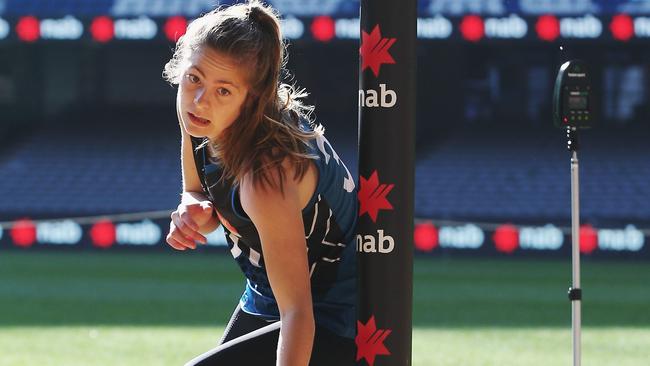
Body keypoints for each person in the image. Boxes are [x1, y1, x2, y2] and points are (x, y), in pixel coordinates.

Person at [162, 1, 358, 365]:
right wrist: (197, 209)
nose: (201, 100)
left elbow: (299, 314)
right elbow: (200, 191)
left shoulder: (264, 175)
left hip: (335, 312)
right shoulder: (198, 118)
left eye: (224, 91)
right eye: (194, 78)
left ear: (252, 100)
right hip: (267, 294)